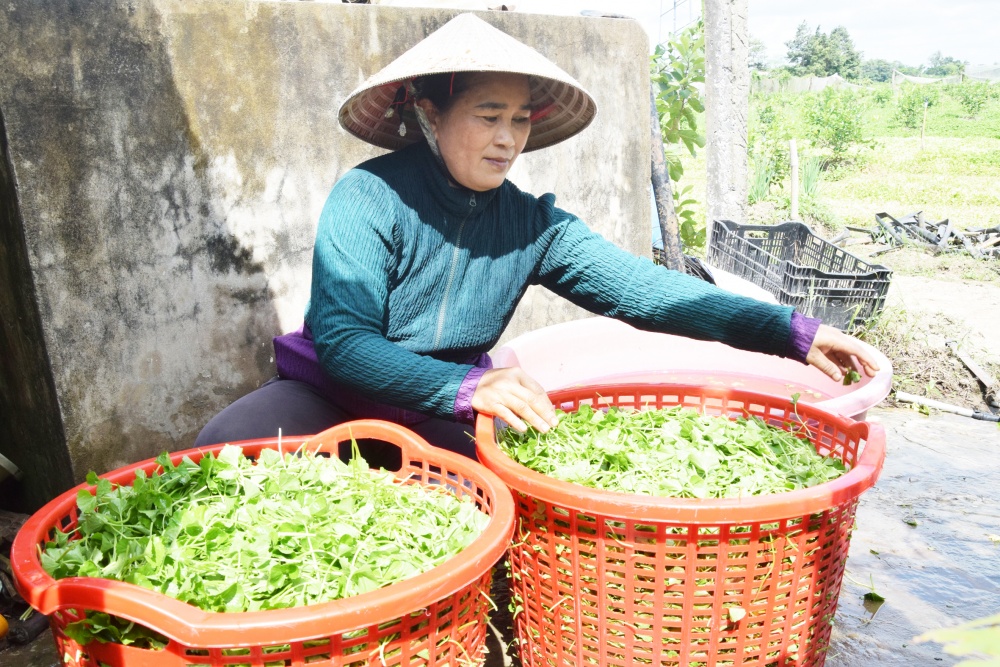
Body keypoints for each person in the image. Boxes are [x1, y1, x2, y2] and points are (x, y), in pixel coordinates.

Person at [195, 13, 879, 459]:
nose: (507, 139)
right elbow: (345, 345)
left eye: (520, 119)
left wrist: (793, 331)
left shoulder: (533, 226)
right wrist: (468, 390)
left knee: (513, 503)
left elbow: (651, 292)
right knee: (226, 446)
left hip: (440, 415)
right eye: (489, 115)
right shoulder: (368, 196)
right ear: (430, 113)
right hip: (336, 394)